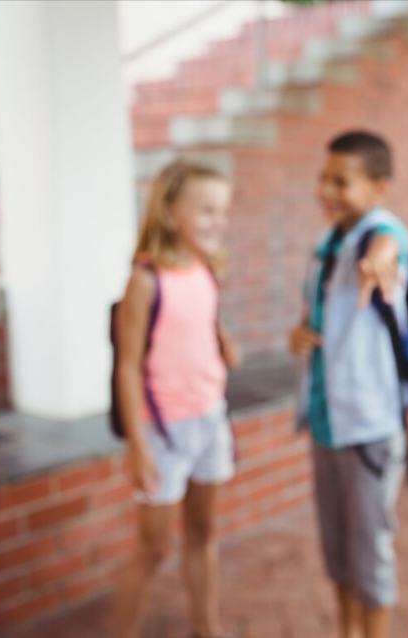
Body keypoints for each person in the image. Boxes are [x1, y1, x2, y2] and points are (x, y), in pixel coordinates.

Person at [289, 131, 408, 638]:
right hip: (324, 424)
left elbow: (390, 247)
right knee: (337, 552)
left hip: (367, 428)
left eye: (342, 181)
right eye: (324, 177)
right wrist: (300, 333)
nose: (328, 189)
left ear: (380, 186)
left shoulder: (382, 231)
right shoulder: (328, 240)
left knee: (370, 556)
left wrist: (379, 263)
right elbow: (316, 314)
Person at [112, 161, 241, 638]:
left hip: (210, 419)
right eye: (206, 210)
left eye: (222, 211)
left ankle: (206, 629)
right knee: (153, 549)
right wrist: (138, 447)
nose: (217, 221)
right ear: (169, 213)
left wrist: (223, 341)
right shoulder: (145, 280)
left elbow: (202, 319)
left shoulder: (205, 265)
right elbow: (127, 366)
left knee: (203, 534)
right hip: (164, 432)